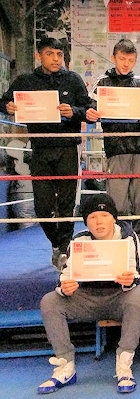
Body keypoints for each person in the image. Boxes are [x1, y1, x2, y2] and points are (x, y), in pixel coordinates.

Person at [38, 193, 140, 394]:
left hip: (117, 298)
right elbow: (65, 274)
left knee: (138, 297)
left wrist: (129, 281)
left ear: (114, 217)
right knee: (50, 301)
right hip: (85, 299)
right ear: (86, 222)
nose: (99, 222)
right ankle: (65, 366)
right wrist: (65, 286)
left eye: (104, 216)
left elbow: (137, 274)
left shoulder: (128, 237)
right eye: (93, 217)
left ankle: (124, 364)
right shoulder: (79, 240)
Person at [0, 37, 92, 270]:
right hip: (40, 148)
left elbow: (90, 109)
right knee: (42, 207)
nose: (55, 59)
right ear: (38, 55)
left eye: (59, 54)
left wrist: (74, 112)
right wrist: (7, 107)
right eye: (50, 53)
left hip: (67, 147)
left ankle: (64, 250)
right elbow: (3, 102)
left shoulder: (73, 79)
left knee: (67, 203)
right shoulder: (26, 80)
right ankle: (57, 244)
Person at [86, 38, 140, 244]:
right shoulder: (101, 83)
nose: (126, 63)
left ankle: (138, 241)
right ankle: (120, 239)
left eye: (130, 59)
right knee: (118, 200)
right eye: (122, 58)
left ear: (135, 61)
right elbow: (90, 108)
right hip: (116, 148)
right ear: (113, 57)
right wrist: (90, 113)